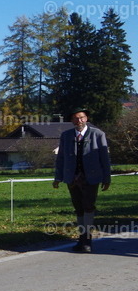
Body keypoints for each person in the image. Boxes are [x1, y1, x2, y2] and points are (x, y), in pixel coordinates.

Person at [53, 108, 112, 253]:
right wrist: (58, 177)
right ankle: (81, 238)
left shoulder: (98, 134)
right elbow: (61, 158)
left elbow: (105, 158)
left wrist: (107, 178)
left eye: (81, 118)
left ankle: (87, 240)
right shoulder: (66, 136)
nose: (79, 121)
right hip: (72, 177)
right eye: (75, 118)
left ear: (86, 119)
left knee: (88, 206)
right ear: (72, 121)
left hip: (91, 178)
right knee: (78, 208)